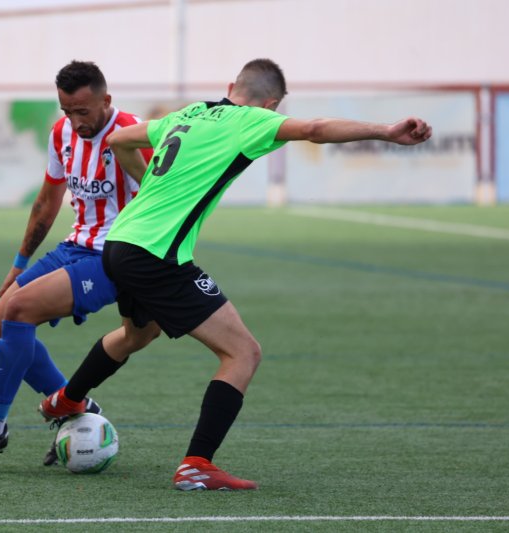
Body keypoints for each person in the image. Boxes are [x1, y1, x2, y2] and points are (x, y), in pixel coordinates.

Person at [38, 58, 433, 490]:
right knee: (243, 352)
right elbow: (316, 130)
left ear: (230, 85)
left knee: (138, 334)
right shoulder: (252, 120)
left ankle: (67, 399)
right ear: (273, 103)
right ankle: (196, 465)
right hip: (155, 254)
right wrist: (387, 132)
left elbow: (118, 139)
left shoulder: (189, 113)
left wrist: (149, 184)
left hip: (120, 242)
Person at [0, 60, 160, 465]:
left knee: (19, 312)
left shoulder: (135, 134)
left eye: (83, 111)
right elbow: (47, 202)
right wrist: (20, 263)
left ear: (106, 100)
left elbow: (167, 200)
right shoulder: (62, 135)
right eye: (66, 111)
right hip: (74, 246)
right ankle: (75, 409)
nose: (75, 121)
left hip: (116, 256)